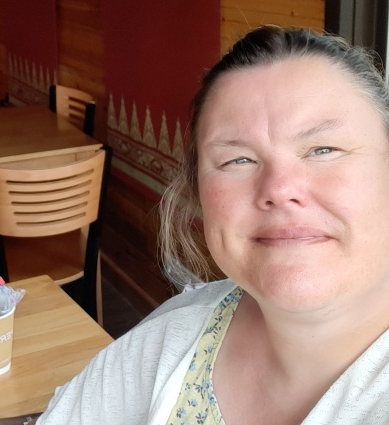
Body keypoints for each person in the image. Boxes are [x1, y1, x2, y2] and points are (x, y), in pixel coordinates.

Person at [38, 26, 389, 424]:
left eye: (324, 149)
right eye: (237, 160)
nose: (279, 188)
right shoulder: (169, 340)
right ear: (198, 191)